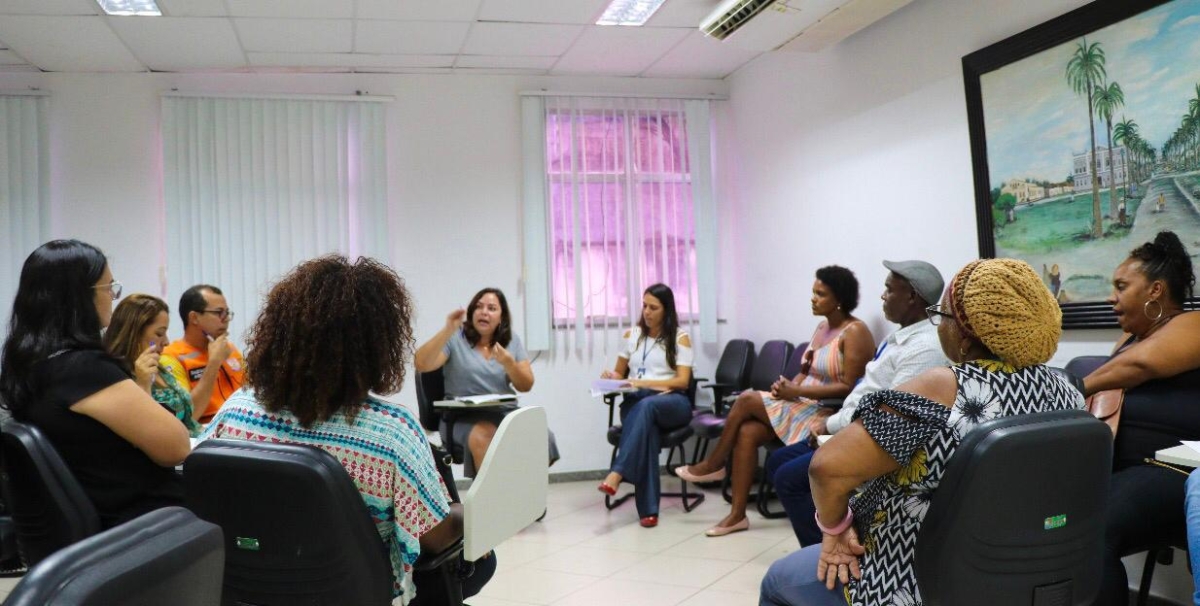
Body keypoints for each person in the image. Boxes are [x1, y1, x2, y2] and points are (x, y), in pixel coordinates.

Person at [759, 258, 1084, 606]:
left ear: (965, 333)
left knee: (777, 580)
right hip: (1026, 578)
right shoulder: (1068, 391)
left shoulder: (942, 387)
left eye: (941, 316)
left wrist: (835, 533)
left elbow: (826, 468)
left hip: (912, 577)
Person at [202, 255, 494, 606]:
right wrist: (478, 511)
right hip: (353, 593)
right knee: (481, 562)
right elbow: (434, 537)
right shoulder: (390, 432)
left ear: (279, 334)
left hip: (250, 589)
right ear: (377, 346)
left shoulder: (236, 410)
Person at [0, 240, 190, 528]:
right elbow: (176, 448)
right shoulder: (84, 370)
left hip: (104, 527)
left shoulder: (29, 367)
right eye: (108, 288)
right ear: (79, 296)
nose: (113, 298)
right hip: (148, 527)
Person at [677, 265, 875, 537]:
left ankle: (714, 463)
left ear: (839, 298)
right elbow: (804, 372)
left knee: (746, 399)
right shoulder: (821, 328)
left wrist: (796, 393)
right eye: (813, 292)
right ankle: (737, 516)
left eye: (821, 294)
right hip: (801, 404)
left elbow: (851, 388)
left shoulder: (855, 332)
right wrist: (787, 385)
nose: (813, 299)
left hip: (824, 412)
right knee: (747, 432)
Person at [764, 260, 946, 545]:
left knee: (790, 479)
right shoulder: (900, 336)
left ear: (912, 296)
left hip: (874, 439)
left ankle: (831, 559)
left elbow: (891, 416)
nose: (883, 296)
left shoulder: (924, 348)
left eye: (889, 289)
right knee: (777, 461)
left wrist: (830, 426)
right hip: (848, 424)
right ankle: (834, 532)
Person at [1082, 231, 1200, 605]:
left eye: (1121, 286)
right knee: (1054, 520)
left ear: (1155, 291)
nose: (1111, 296)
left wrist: (1071, 384)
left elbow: (1139, 365)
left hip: (1175, 467)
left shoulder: (1191, 323)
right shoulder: (1131, 337)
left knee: (1088, 534)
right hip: (1126, 468)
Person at [414, 287, 558, 476]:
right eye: (479, 307)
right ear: (472, 312)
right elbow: (421, 364)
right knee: (485, 435)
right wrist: (448, 329)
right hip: (460, 417)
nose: (484, 312)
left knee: (539, 433)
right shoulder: (456, 338)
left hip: (503, 414)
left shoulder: (511, 340)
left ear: (501, 317)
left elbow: (526, 384)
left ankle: (527, 499)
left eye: (491, 308)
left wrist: (508, 363)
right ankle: (493, 503)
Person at [596, 284, 694, 529]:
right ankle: (649, 512)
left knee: (648, 407)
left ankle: (617, 472)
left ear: (666, 309)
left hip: (672, 404)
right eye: (644, 306)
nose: (647, 312)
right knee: (646, 429)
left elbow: (682, 381)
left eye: (654, 307)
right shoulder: (632, 336)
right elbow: (620, 372)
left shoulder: (679, 338)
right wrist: (613, 378)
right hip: (636, 402)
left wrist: (642, 382)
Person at [102, 294, 201, 436]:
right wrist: (143, 385)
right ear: (134, 334)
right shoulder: (115, 376)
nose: (166, 342)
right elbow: (140, 431)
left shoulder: (160, 368)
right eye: (159, 334)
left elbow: (188, 422)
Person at [160, 284, 245, 423]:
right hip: (204, 435)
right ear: (194, 317)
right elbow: (186, 417)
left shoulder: (229, 349)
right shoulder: (171, 357)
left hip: (242, 427)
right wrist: (214, 363)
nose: (226, 319)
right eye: (219, 313)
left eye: (227, 313)